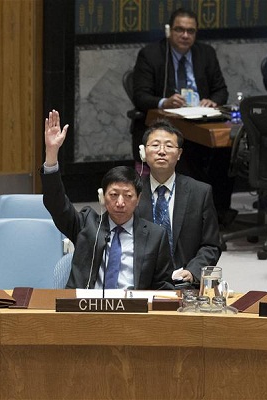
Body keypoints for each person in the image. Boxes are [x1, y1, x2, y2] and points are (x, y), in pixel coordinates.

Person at [41, 110, 174, 290]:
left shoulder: (155, 236)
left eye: (127, 196)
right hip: (86, 310)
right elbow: (56, 203)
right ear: (103, 197)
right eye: (113, 195)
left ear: (138, 199)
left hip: (132, 312)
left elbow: (162, 286)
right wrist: (51, 154)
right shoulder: (86, 225)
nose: (120, 202)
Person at [131, 7, 234, 226]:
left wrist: (212, 100)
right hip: (165, 126)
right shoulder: (151, 54)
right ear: (169, 31)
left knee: (226, 151)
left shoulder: (205, 53)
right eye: (180, 30)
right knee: (182, 151)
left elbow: (221, 90)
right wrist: (164, 102)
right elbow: (140, 96)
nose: (185, 35)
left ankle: (218, 212)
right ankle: (189, 216)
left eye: (190, 31)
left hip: (201, 123)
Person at [136, 120, 221, 284]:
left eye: (169, 146)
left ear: (179, 153)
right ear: (143, 152)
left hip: (184, 282)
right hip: (141, 281)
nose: (162, 151)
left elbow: (211, 245)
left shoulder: (200, 192)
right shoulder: (131, 192)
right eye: (155, 145)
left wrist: (193, 271)